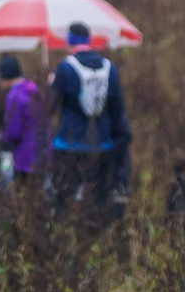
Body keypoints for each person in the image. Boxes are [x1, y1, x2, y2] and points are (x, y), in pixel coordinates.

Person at [50, 20, 130, 204]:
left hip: (68, 142)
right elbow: (117, 107)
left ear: (69, 41)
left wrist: (51, 84)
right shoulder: (109, 68)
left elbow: (49, 106)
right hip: (102, 142)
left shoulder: (65, 68)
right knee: (97, 197)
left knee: (66, 196)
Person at [0, 54, 45, 184]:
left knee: (23, 192)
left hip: (24, 158)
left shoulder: (14, 96)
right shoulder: (34, 89)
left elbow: (14, 132)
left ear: (5, 77)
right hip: (42, 155)